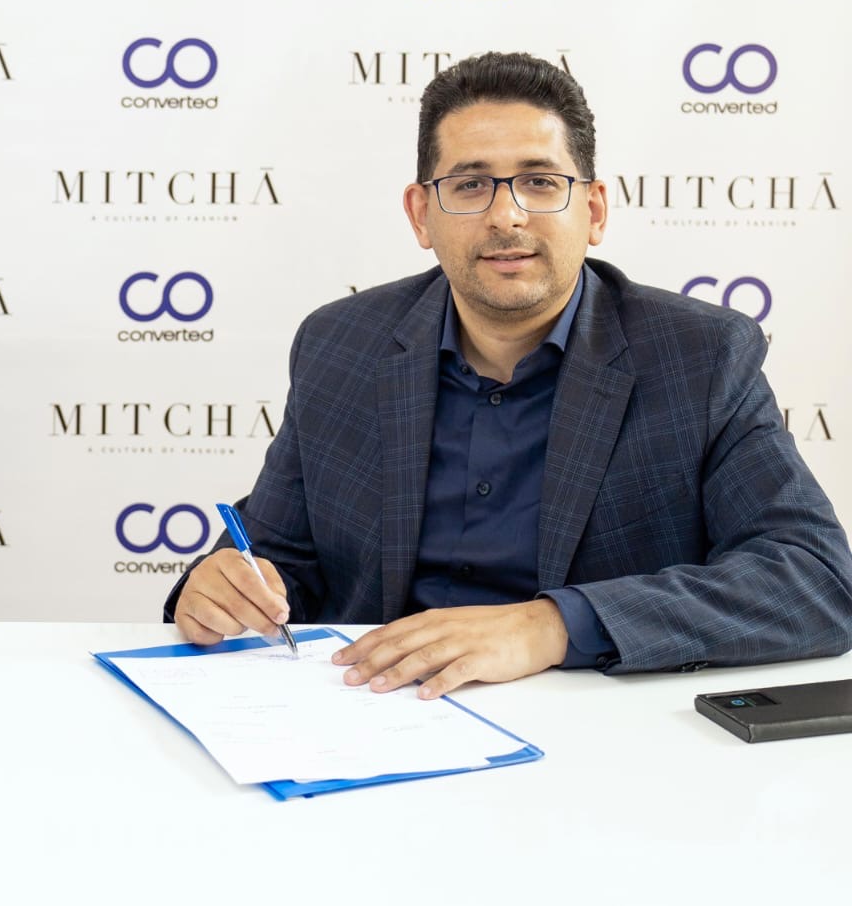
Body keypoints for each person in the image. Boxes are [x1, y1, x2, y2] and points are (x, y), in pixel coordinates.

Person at [166, 51, 852, 696]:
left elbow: (815, 581)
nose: (506, 215)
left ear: (594, 210)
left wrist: (552, 626)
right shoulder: (341, 344)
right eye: (470, 185)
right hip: (376, 709)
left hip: (597, 729)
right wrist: (221, 588)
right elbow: (277, 560)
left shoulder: (700, 356)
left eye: (540, 182)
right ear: (421, 215)